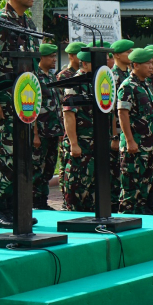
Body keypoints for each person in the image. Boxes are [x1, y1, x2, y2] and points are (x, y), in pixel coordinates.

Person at [0, 0, 39, 229]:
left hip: (24, 101)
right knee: (3, 154)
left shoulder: (29, 24)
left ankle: (17, 207)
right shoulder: (0, 22)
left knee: (21, 155)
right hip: (4, 100)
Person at [117, 48, 153, 215]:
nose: (151, 66)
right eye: (147, 63)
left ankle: (140, 220)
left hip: (149, 145)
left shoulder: (145, 84)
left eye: (152, 63)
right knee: (131, 188)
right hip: (135, 145)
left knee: (144, 186)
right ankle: (126, 220)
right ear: (135, 65)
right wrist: (130, 140)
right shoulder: (128, 86)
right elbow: (123, 114)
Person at [61, 49, 96, 211]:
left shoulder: (95, 81)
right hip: (81, 142)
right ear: (85, 64)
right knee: (76, 184)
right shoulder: (74, 83)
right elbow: (69, 114)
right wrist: (74, 143)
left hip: (95, 141)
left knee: (92, 186)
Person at [33, 43, 63, 211]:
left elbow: (57, 104)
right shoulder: (34, 78)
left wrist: (60, 128)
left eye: (54, 56)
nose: (54, 59)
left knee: (49, 166)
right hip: (41, 131)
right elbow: (33, 108)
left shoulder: (52, 78)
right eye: (51, 56)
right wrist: (35, 134)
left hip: (53, 130)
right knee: (37, 167)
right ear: (41, 58)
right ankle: (35, 200)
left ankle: (42, 199)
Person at [109, 39, 134, 211]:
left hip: (130, 131)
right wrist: (114, 136)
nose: (131, 55)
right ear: (117, 55)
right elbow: (110, 110)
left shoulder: (129, 74)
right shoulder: (112, 76)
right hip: (117, 132)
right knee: (115, 172)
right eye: (127, 52)